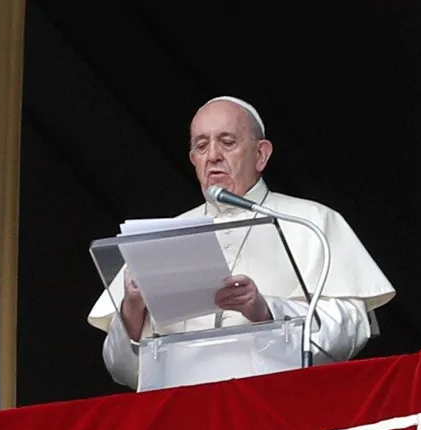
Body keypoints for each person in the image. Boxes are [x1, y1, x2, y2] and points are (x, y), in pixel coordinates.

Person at [88, 96, 395, 390]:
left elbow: (351, 329)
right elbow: (122, 369)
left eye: (227, 142)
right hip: (181, 414)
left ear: (261, 154)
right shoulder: (161, 235)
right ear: (193, 159)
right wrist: (131, 308)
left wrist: (266, 312)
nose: (213, 156)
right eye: (201, 145)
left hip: (275, 406)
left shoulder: (311, 221)